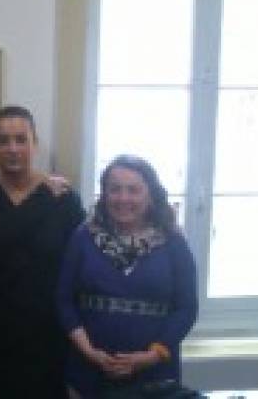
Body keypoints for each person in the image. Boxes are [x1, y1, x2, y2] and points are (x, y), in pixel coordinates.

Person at [0, 105, 86, 399]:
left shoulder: (65, 199)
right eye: (3, 141)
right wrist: (43, 196)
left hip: (47, 333)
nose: (12, 149)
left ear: (34, 143)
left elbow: (82, 257)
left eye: (21, 139)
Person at [56, 154, 198, 398]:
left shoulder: (173, 241)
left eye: (133, 190)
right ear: (104, 194)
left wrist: (151, 356)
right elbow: (64, 299)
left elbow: (186, 308)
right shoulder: (83, 237)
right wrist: (89, 352)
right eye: (115, 189)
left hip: (155, 377)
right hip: (88, 373)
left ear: (150, 195)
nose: (123, 198)